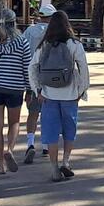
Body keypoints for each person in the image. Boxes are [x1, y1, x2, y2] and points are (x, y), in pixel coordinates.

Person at [28, 10, 90, 182]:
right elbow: (83, 68)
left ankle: (54, 168)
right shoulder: (74, 44)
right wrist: (82, 90)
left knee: (51, 132)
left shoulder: (44, 44)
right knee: (70, 131)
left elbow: (32, 67)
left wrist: (37, 90)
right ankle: (66, 161)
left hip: (48, 95)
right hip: (70, 95)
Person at [0, 9, 34, 174]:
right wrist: (29, 89)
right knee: (14, 123)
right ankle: (9, 149)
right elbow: (27, 67)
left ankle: (1, 165)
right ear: (14, 22)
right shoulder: (22, 41)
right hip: (15, 87)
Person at [20, 0, 57, 162]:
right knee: (48, 113)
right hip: (51, 76)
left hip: (33, 76)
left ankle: (30, 143)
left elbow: (23, 53)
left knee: (33, 112)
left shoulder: (29, 31)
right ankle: (46, 145)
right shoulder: (55, 32)